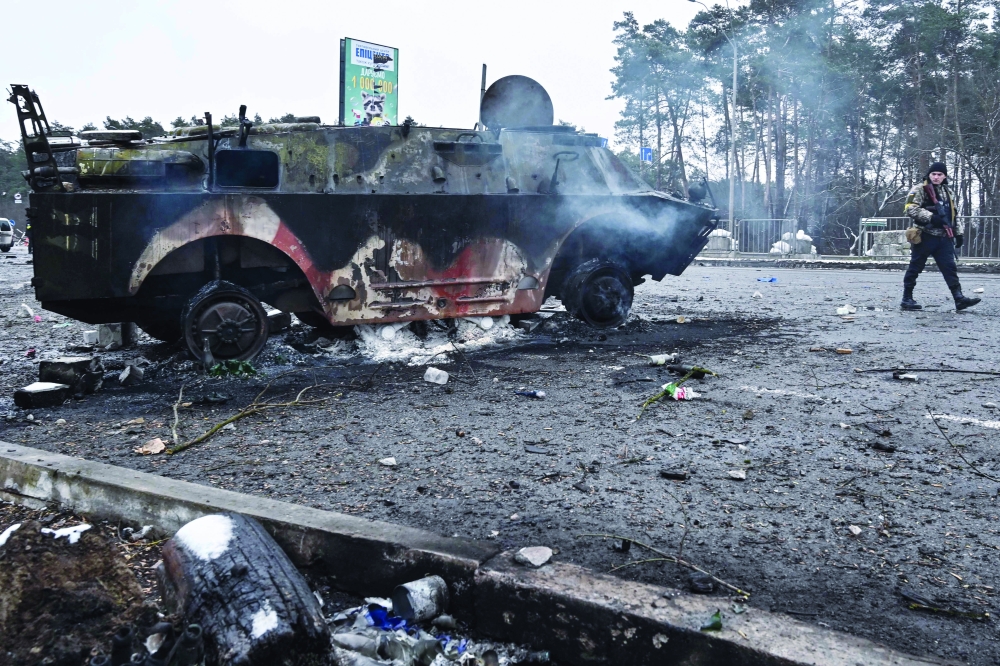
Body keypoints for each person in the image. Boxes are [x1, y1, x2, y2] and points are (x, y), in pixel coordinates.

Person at [901, 162, 980, 311]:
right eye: (933, 174)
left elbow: (954, 214)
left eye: (940, 174)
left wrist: (959, 233)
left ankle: (959, 298)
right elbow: (909, 208)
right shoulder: (920, 189)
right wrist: (931, 217)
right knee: (915, 267)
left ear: (944, 176)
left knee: (950, 268)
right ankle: (907, 298)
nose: (936, 177)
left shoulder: (948, 192)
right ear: (929, 175)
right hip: (924, 234)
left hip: (943, 237)